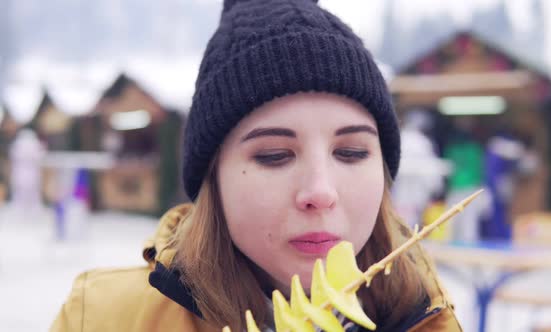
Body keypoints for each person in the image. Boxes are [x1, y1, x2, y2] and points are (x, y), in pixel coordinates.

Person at [51, 0, 462, 331]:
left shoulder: (429, 319)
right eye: (274, 155)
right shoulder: (100, 319)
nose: (320, 191)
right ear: (214, 177)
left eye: (351, 152)